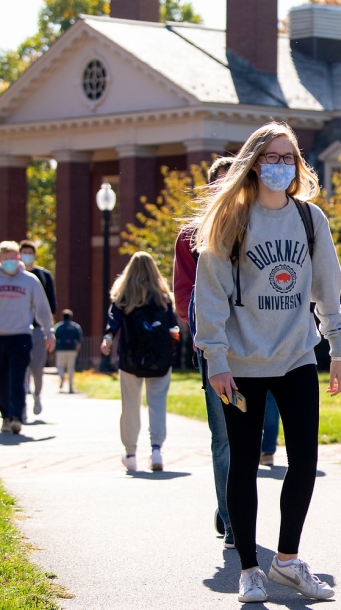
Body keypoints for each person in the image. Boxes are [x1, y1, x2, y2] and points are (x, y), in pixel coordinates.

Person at [193, 122, 341, 603]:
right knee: (242, 464)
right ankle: (249, 570)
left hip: (297, 355)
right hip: (240, 363)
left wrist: (337, 347)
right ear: (254, 162)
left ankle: (286, 561)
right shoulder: (230, 221)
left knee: (304, 459)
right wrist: (215, 358)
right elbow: (211, 297)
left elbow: (328, 289)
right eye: (272, 157)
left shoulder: (309, 220)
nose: (280, 166)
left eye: (289, 158)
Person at [172, 157, 283, 553]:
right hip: (215, 349)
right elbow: (184, 292)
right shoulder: (191, 234)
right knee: (224, 436)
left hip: (255, 346)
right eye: (219, 183)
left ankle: (228, 504)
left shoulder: (262, 224)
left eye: (233, 181)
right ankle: (235, 521)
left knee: (247, 438)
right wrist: (206, 333)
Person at [100, 252, 178, 473]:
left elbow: (112, 322)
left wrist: (107, 338)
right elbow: (173, 330)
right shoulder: (164, 297)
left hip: (131, 359)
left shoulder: (123, 296)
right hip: (160, 361)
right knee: (157, 405)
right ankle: (156, 450)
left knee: (130, 406)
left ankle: (131, 453)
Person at [0, 241, 55, 435]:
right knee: (0, 379)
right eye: (5, 259)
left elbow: (42, 308)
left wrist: (48, 332)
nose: (9, 262)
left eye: (12, 258)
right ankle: (5, 416)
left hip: (22, 335)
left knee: (18, 377)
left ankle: (17, 416)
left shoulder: (30, 281)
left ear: (18, 258)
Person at [19, 240, 57, 418]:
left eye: (29, 252)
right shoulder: (15, 277)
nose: (27, 255)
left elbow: (51, 305)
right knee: (22, 368)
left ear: (34, 255)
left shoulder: (43, 276)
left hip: (38, 329)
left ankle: (37, 395)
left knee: (37, 367)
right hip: (19, 329)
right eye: (23, 252)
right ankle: (23, 403)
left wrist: (48, 329)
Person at [53, 309, 83, 393]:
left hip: (60, 349)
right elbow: (79, 340)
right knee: (71, 368)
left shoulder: (58, 327)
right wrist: (76, 350)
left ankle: (62, 377)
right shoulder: (75, 327)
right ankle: (70, 386)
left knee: (60, 366)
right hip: (72, 349)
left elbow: (54, 338)